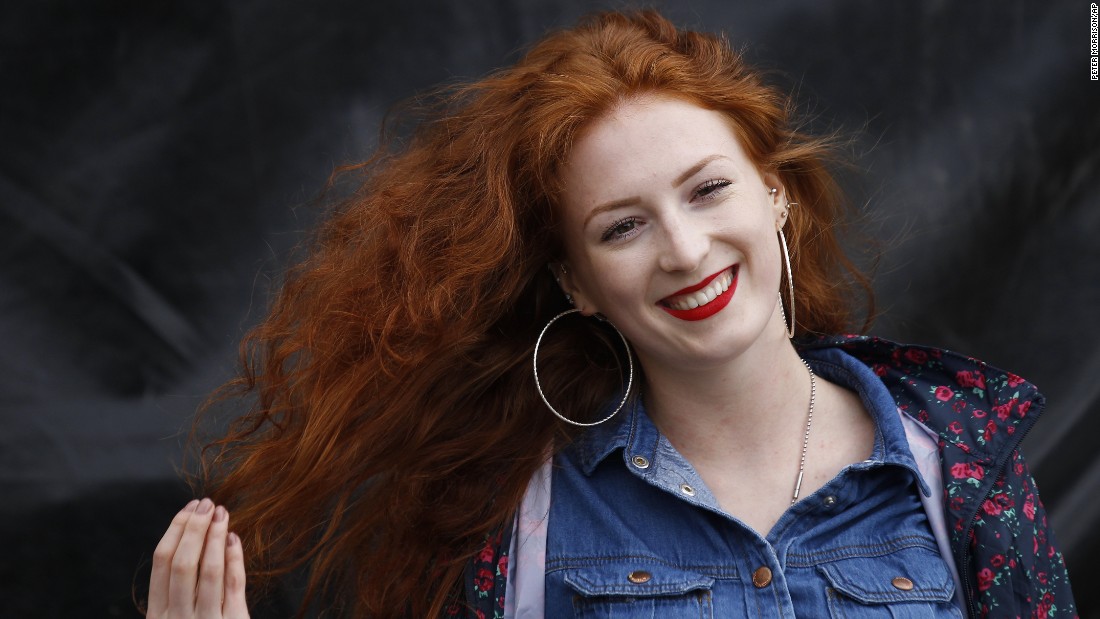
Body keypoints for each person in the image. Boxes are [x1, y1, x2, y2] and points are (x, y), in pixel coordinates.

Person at [145, 10, 1076, 619]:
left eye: (708, 189)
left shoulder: (956, 466)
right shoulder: (516, 523)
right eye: (623, 225)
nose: (682, 247)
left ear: (776, 194)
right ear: (578, 282)